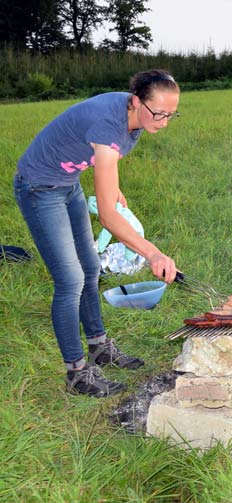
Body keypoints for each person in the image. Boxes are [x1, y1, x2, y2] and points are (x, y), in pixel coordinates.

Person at [13, 69, 181, 397]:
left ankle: (99, 347)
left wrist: (112, 188)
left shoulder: (135, 116)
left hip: (67, 184)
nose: (164, 122)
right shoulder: (109, 126)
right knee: (70, 279)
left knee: (90, 268)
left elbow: (103, 159)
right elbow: (107, 217)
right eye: (159, 113)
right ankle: (76, 374)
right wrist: (153, 253)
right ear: (136, 102)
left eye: (171, 114)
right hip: (38, 188)